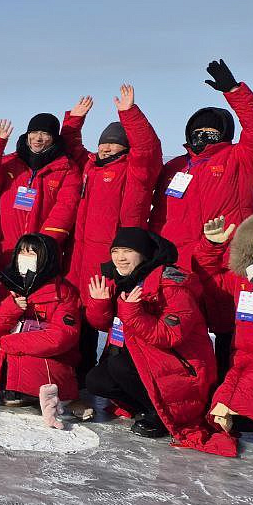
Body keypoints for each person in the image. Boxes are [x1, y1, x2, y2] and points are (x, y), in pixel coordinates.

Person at [150, 60, 253, 375]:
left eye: (211, 131)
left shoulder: (240, 158)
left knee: (231, 329)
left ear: (224, 134)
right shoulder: (175, 166)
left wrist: (234, 91)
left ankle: (230, 392)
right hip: (182, 261)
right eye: (197, 131)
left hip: (228, 259)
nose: (202, 136)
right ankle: (194, 385)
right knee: (185, 328)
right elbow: (160, 215)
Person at [83, 227, 229, 453]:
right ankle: (149, 408)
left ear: (144, 254)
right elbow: (102, 325)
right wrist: (99, 303)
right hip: (146, 358)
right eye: (116, 251)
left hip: (179, 364)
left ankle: (162, 415)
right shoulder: (121, 280)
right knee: (96, 380)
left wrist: (132, 312)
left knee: (119, 366)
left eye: (128, 251)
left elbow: (169, 335)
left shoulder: (172, 285)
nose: (120, 257)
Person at [61, 86, 163, 381]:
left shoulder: (136, 170)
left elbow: (148, 148)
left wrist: (129, 113)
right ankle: (80, 372)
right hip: (81, 254)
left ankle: (116, 374)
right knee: (83, 310)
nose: (105, 148)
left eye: (113, 144)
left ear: (126, 147)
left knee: (111, 312)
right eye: (103, 143)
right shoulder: (90, 167)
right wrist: (74, 120)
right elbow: (71, 147)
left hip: (117, 256)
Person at [199, 215, 253, 456]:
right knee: (222, 405)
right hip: (242, 355)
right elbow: (209, 277)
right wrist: (212, 247)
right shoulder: (245, 279)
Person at [0, 234, 81, 408]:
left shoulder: (64, 292)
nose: (24, 258)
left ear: (46, 258)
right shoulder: (7, 283)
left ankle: (34, 393)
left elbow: (61, 337)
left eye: (32, 253)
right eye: (21, 252)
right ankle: (12, 389)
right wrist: (11, 308)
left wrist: (9, 342)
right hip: (7, 354)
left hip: (50, 359)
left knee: (29, 361)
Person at [0, 111, 82, 269]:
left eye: (45, 134)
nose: (38, 138)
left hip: (41, 252)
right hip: (5, 250)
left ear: (53, 139)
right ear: (27, 135)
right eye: (34, 132)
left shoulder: (66, 169)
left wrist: (41, 246)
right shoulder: (10, 163)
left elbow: (66, 208)